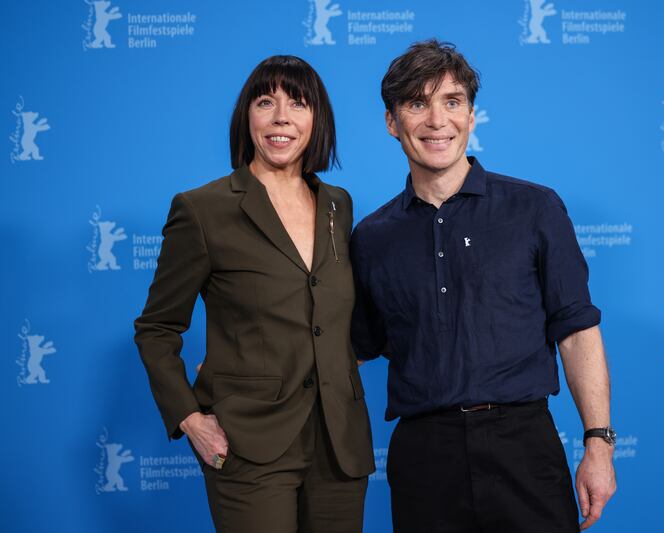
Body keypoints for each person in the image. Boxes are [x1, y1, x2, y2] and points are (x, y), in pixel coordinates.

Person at [350, 40, 616, 533]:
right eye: (416, 103)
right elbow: (354, 349)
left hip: (523, 447)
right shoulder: (371, 237)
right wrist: (247, 366)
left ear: (472, 116)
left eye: (451, 102)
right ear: (392, 122)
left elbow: (576, 331)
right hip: (423, 459)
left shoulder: (535, 209)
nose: (436, 121)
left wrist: (597, 442)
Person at [134, 55, 374, 533]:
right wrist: (190, 418)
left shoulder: (338, 206)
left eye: (298, 104)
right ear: (247, 118)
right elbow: (157, 329)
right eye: (266, 102)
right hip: (250, 445)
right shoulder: (202, 210)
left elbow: (334, 314)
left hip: (339, 445)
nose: (281, 116)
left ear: (316, 119)